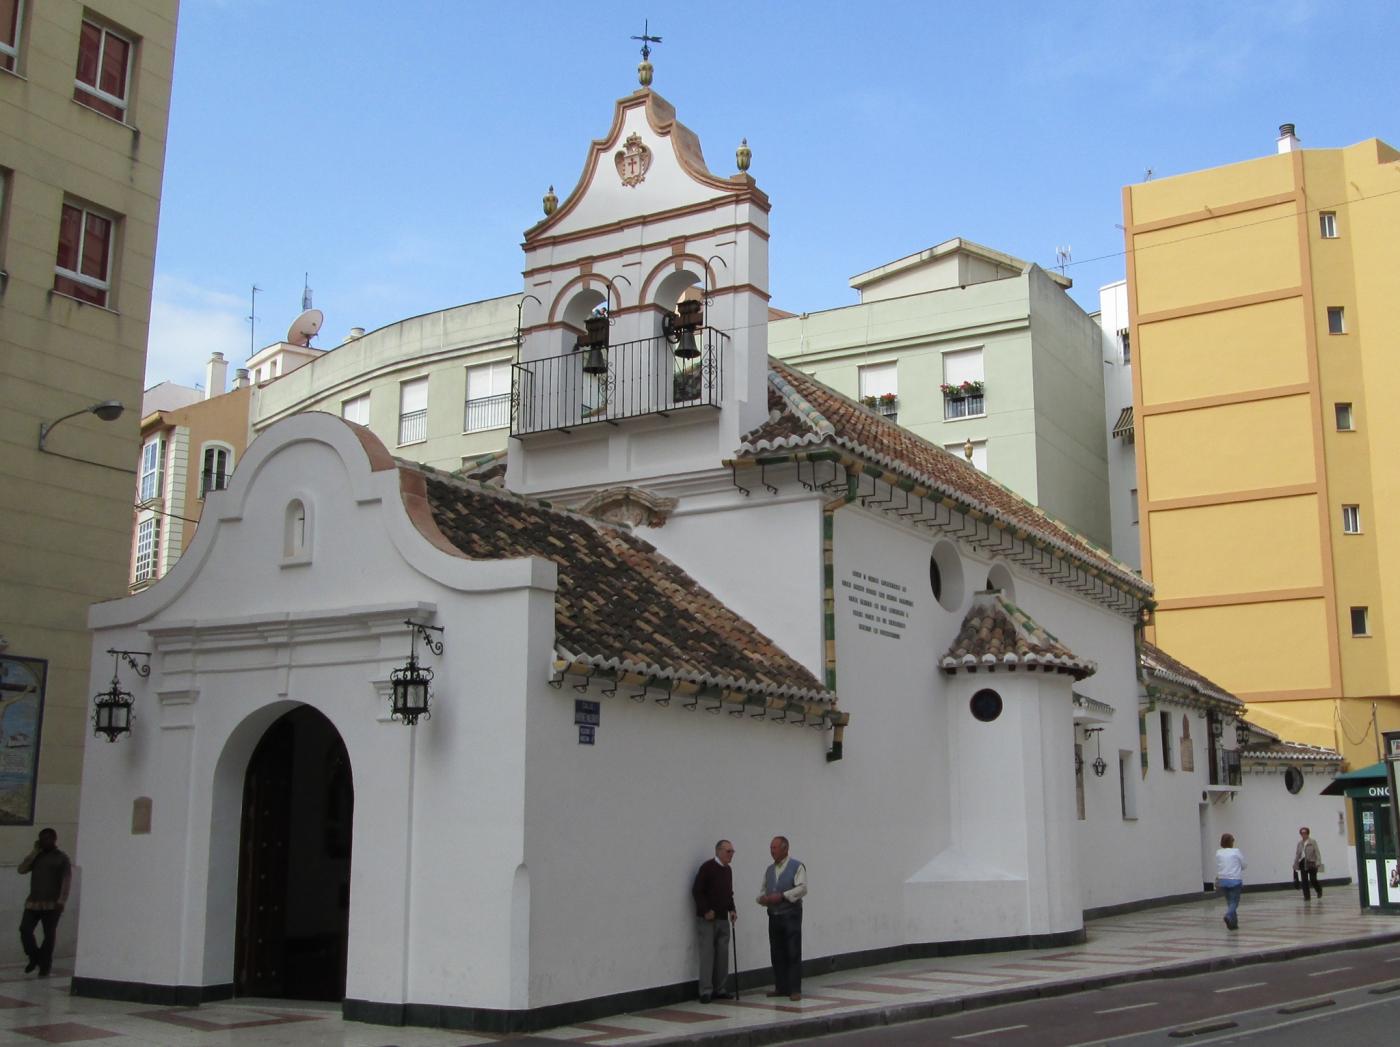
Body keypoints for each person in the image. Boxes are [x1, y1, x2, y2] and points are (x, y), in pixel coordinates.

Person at [757, 835, 807, 1001]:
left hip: (790, 914)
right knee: (776, 951)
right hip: (774, 915)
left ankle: (794, 989)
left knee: (792, 950)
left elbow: (802, 888)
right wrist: (763, 899)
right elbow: (763, 890)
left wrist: (783, 896)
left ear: (785, 848)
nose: (772, 851)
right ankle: (780, 986)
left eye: (775, 848)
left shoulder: (797, 866)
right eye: (771, 848)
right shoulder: (769, 870)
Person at [17, 828, 72, 977]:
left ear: (54, 839)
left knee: (49, 936)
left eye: (47, 838)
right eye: (41, 839)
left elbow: (66, 880)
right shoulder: (37, 857)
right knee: (25, 929)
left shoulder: (62, 858)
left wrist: (62, 900)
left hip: (52, 904)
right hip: (33, 902)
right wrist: (34, 852)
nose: (44, 841)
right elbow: (21, 869)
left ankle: (45, 965)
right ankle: (34, 956)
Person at [691, 839, 737, 1003]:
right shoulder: (707, 868)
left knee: (723, 955)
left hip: (723, 918)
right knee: (707, 955)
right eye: (728, 851)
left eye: (732, 852)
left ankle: (720, 988)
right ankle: (705, 990)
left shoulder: (728, 871)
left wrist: (732, 909)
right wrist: (705, 910)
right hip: (708, 919)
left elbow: (728, 893)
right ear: (718, 851)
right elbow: (697, 891)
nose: (731, 855)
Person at [1215, 832, 1246, 931]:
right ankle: (1228, 916)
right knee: (1234, 902)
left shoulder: (1218, 852)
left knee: (1229, 901)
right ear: (1231, 842)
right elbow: (1244, 864)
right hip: (1235, 880)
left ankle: (1233, 924)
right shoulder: (1236, 852)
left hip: (1223, 880)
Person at [1293, 826, 1323, 900]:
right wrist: (1295, 864)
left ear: (1308, 834)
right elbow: (1297, 855)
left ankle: (1319, 890)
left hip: (1311, 862)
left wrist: (1318, 862)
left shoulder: (1312, 842)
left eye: (1305, 833)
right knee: (1304, 881)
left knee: (1313, 879)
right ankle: (1307, 897)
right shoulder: (1299, 843)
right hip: (1303, 863)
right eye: (1302, 833)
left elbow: (1317, 852)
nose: (1303, 835)